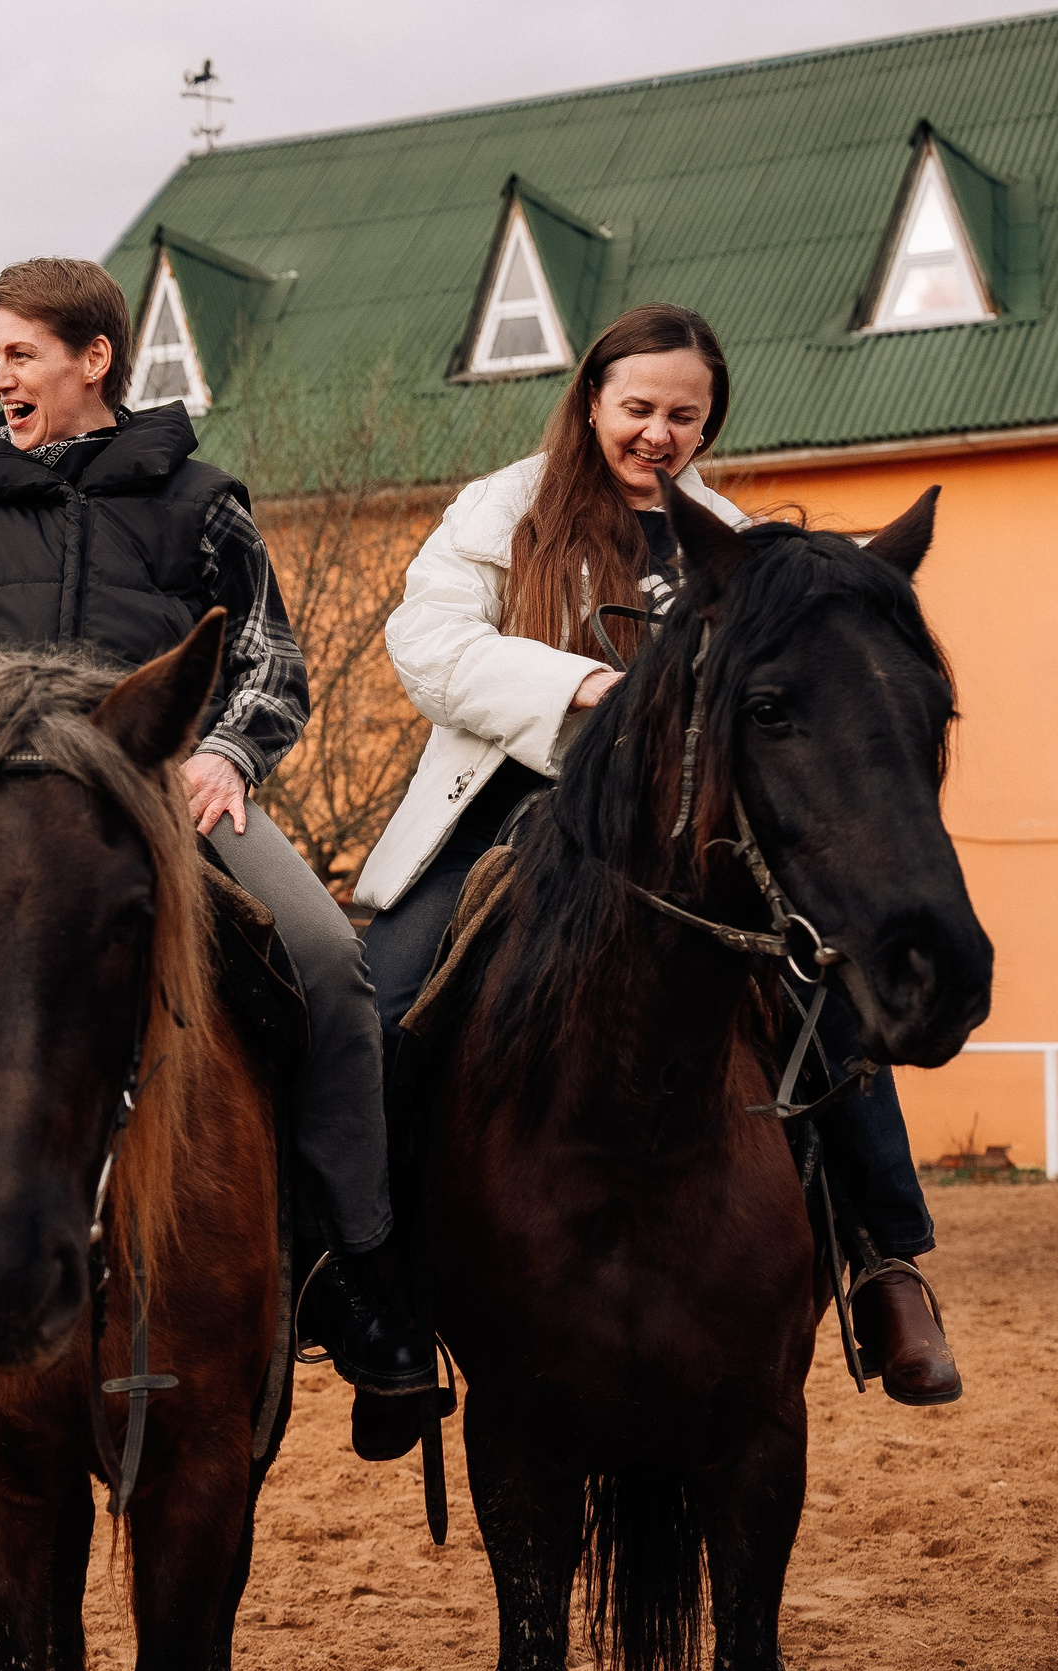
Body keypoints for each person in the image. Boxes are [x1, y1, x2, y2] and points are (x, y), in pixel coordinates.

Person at [0, 256, 434, 1401]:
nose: (2, 377)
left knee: (328, 966)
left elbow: (270, 663)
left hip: (159, 791)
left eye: (21, 354)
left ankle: (356, 1266)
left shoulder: (201, 499)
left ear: (93, 359)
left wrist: (220, 754)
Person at [356, 302, 960, 1406]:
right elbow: (429, 644)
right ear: (590, 401)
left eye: (684, 416)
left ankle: (885, 1258)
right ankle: (381, 1293)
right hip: (512, 798)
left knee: (819, 983)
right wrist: (579, 686)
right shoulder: (503, 508)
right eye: (637, 408)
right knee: (388, 999)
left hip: (684, 832)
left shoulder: (732, 540)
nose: (657, 434)